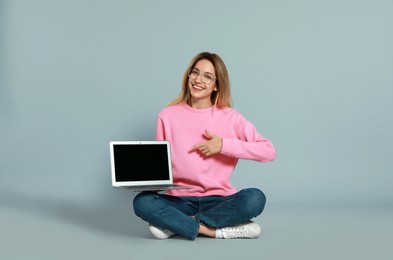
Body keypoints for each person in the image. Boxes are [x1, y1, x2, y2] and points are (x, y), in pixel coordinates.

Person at [133, 52, 275, 240]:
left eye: (208, 76)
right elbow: (161, 165)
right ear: (188, 75)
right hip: (179, 199)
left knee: (255, 198)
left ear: (216, 85)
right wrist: (151, 181)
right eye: (195, 73)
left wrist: (223, 145)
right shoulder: (167, 116)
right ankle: (213, 230)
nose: (198, 80)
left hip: (219, 200)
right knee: (142, 202)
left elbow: (268, 151)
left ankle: (178, 225)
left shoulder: (230, 117)